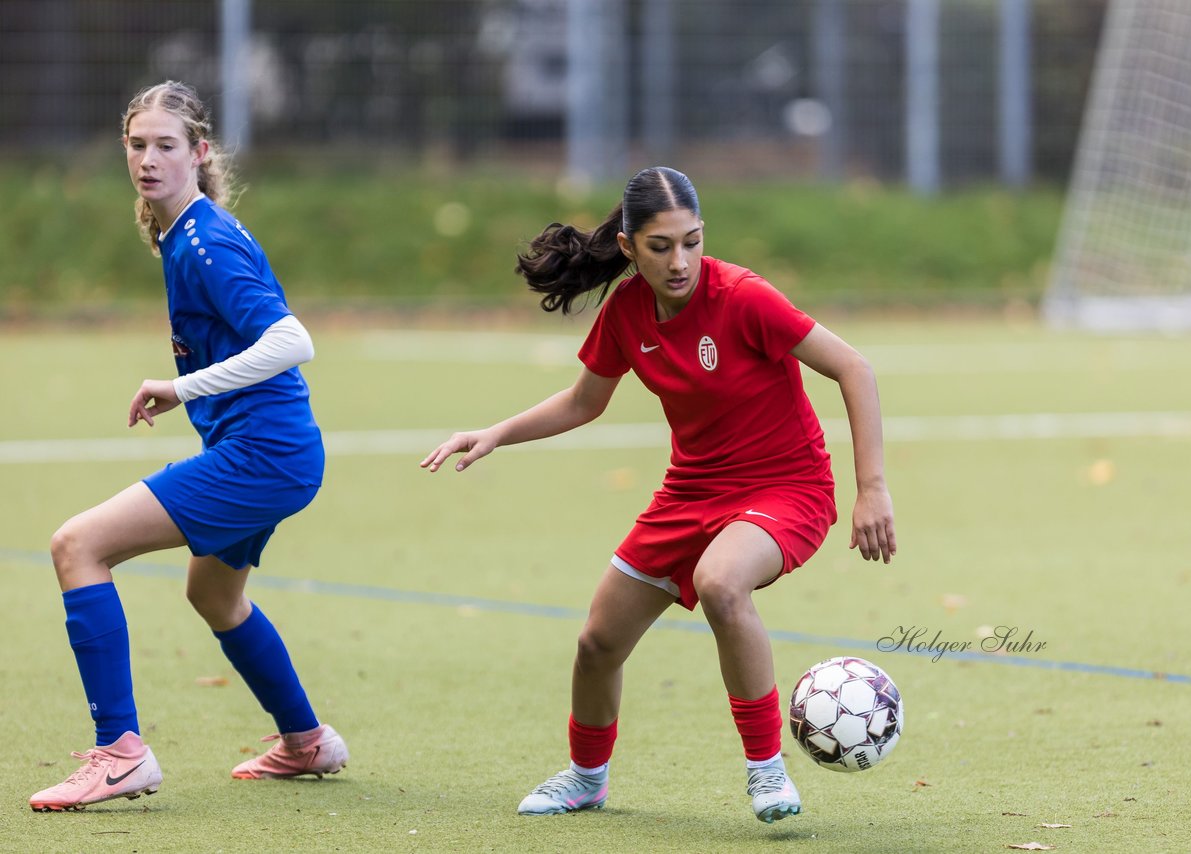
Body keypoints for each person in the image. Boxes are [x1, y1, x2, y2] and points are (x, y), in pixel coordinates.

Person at [421, 166, 896, 824]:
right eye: (661, 246)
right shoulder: (626, 313)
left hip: (787, 489)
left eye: (693, 242)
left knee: (722, 585)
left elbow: (854, 367)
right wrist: (498, 432)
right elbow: (584, 402)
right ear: (627, 248)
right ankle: (586, 779)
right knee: (596, 644)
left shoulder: (744, 297)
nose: (682, 261)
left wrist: (871, 489)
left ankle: (766, 772)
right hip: (691, 494)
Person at [29, 81, 348, 813]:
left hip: (263, 456)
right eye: (137, 145)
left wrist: (185, 387)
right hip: (273, 452)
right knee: (214, 593)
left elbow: (293, 340)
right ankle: (305, 741)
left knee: (77, 545)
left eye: (166, 146)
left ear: (199, 153)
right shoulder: (182, 235)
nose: (148, 159)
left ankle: (120, 753)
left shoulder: (206, 241)